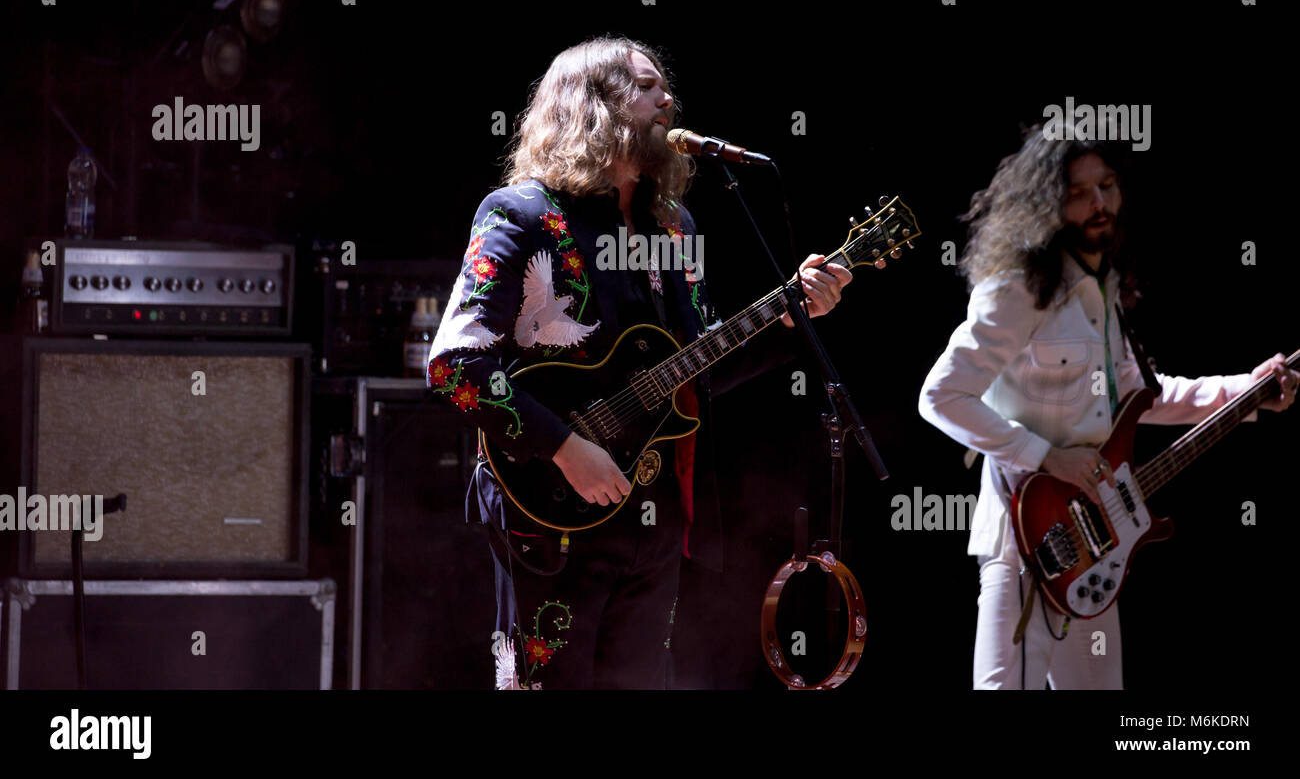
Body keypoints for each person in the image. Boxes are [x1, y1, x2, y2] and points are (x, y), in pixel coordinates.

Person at [428, 36, 853, 688]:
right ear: (593, 104)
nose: (668, 99)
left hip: (651, 511)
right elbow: (455, 366)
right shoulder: (522, 215)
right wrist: (567, 447)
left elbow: (699, 370)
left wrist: (792, 320)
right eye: (648, 86)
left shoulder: (672, 227)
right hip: (549, 509)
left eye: (665, 86)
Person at [917, 124, 1298, 689]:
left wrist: (1248, 389)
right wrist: (1046, 457)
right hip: (1027, 541)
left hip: (1094, 544)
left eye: (1108, 185)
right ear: (1047, 203)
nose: (1099, 203)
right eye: (1079, 191)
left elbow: (1142, 396)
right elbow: (940, 397)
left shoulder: (1103, 288)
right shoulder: (1016, 290)